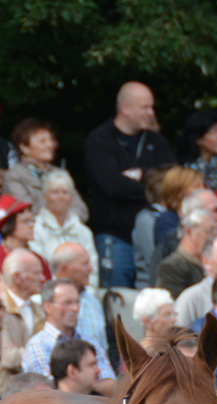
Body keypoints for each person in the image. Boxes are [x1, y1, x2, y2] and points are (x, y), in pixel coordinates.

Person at [83, 83, 175, 289]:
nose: (151, 113)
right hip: (116, 237)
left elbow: (172, 179)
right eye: (145, 107)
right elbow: (113, 186)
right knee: (117, 299)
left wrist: (143, 174)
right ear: (125, 108)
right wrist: (154, 186)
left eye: (151, 107)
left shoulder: (155, 140)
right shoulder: (100, 140)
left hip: (153, 235)